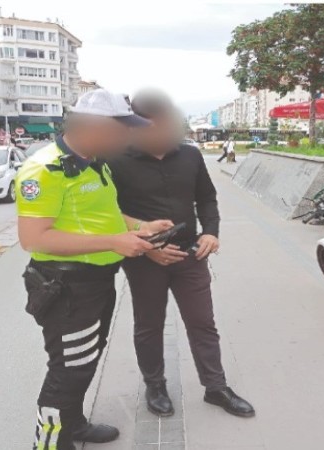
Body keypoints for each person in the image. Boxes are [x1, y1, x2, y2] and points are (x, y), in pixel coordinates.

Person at [16, 88, 173, 450]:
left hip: (96, 282)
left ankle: (73, 425)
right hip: (66, 286)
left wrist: (140, 227)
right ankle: (49, 445)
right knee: (67, 371)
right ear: (95, 127)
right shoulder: (44, 169)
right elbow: (34, 238)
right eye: (122, 130)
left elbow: (104, 216)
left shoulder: (94, 162)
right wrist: (115, 242)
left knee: (85, 360)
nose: (127, 138)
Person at [109, 89, 256, 419]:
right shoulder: (115, 160)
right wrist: (148, 248)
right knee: (149, 325)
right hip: (145, 260)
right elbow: (108, 213)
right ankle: (155, 385)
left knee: (202, 323)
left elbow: (206, 198)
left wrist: (211, 232)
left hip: (190, 256)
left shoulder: (190, 155)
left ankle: (216, 387)